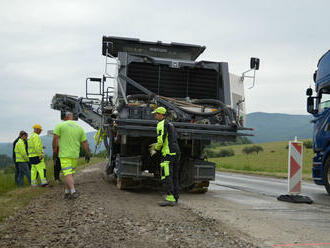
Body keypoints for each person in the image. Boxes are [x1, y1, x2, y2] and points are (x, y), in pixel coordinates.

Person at [52, 112, 90, 199]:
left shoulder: (60, 125)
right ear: (72, 117)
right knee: (69, 174)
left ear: (66, 117)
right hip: (75, 155)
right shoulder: (80, 128)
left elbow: (55, 139)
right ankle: (66, 192)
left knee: (67, 173)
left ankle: (73, 191)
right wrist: (87, 153)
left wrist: (54, 151)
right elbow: (84, 142)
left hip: (64, 154)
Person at [151, 106, 180, 207]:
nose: (155, 116)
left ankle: (169, 198)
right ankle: (175, 197)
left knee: (166, 175)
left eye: (156, 114)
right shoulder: (171, 124)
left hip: (167, 153)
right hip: (176, 152)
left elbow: (161, 140)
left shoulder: (161, 124)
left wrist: (155, 149)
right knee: (174, 176)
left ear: (160, 114)